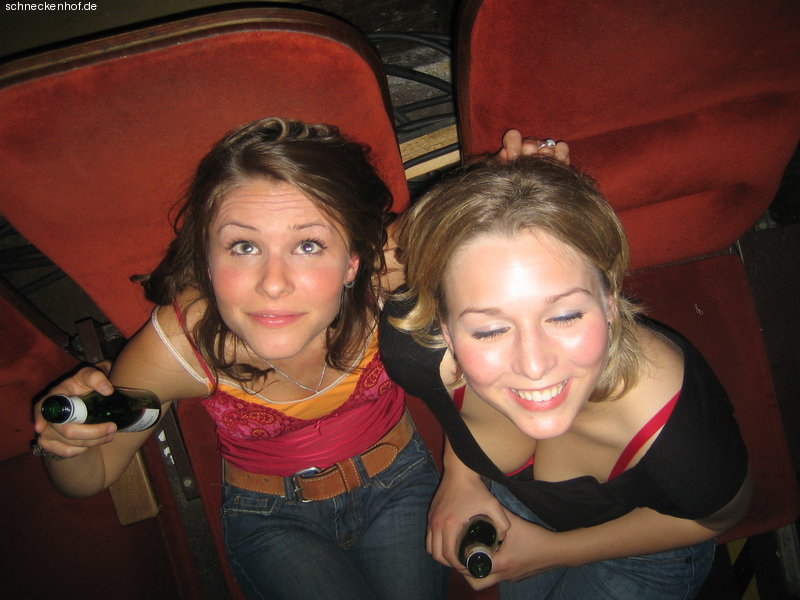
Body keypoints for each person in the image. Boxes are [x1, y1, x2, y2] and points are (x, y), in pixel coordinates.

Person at [31, 118, 566, 599]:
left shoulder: (381, 272)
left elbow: (476, 215)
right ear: (208, 258)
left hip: (401, 485)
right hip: (272, 519)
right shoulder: (181, 345)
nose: (273, 283)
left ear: (353, 261)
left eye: (308, 245)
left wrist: (519, 174)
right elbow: (91, 476)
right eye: (243, 246)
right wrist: (65, 444)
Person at [379, 153, 752, 599]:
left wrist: (552, 551)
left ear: (610, 300)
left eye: (565, 316)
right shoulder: (417, 354)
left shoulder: (671, 426)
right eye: (490, 329)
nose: (534, 366)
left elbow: (721, 517)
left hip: (645, 555)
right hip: (515, 514)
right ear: (445, 328)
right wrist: (462, 479)